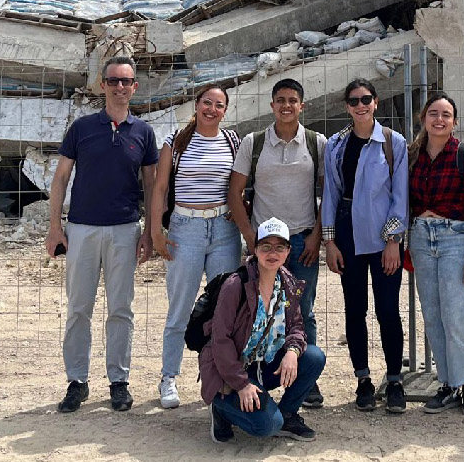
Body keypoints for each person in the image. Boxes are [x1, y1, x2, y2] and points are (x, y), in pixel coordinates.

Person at [45, 55, 159, 414]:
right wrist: (54, 227)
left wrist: (151, 233)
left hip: (125, 229)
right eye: (113, 81)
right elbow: (61, 178)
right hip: (82, 229)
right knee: (79, 308)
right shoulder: (81, 128)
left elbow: (152, 184)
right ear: (102, 85)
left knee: (121, 309)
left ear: (134, 88)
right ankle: (77, 381)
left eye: (126, 81)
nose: (120, 87)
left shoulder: (143, 133)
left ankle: (119, 381)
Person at [228, 78, 327, 408]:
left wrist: (317, 236)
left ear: (302, 106)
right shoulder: (254, 143)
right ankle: (254, 374)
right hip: (266, 245)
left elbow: (329, 193)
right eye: (280, 99)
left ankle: (303, 381)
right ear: (272, 105)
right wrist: (249, 236)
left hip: (301, 242)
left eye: (293, 100)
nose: (287, 105)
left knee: (304, 310)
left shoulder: (316, 143)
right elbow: (234, 192)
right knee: (258, 310)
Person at [149, 83, 242, 409]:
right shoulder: (175, 142)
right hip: (184, 229)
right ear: (197, 104)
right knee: (179, 308)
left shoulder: (233, 141)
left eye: (218, 105)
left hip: (223, 231)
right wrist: (155, 232)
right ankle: (169, 377)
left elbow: (240, 185)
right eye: (207, 103)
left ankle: (220, 378)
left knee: (225, 309)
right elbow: (159, 188)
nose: (211, 110)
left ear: (225, 111)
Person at [320, 78, 409, 413]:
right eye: (354, 101)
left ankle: (395, 380)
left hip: (383, 237)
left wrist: (393, 240)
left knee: (388, 310)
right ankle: (363, 380)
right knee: (355, 309)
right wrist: (329, 241)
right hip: (348, 235)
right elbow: (329, 193)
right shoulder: (336, 145)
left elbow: (400, 195)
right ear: (347, 106)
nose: (361, 106)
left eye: (366, 99)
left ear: (376, 102)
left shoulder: (392, 141)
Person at [201, 217, 327, 444]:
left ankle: (287, 414)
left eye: (280, 247)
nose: (273, 253)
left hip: (264, 366)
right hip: (230, 373)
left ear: (288, 251)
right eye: (266, 246)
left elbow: (297, 326)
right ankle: (221, 408)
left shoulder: (288, 283)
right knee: (267, 425)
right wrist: (241, 384)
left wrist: (292, 351)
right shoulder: (236, 285)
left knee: (313, 357)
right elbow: (220, 340)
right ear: (255, 249)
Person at [408, 92, 464, 415]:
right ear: (423, 118)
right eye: (433, 113)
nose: (439, 119)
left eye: (446, 114)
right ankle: (447, 383)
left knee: (457, 317)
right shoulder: (414, 154)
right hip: (421, 238)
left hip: (456, 239)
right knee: (433, 316)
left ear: (454, 122)